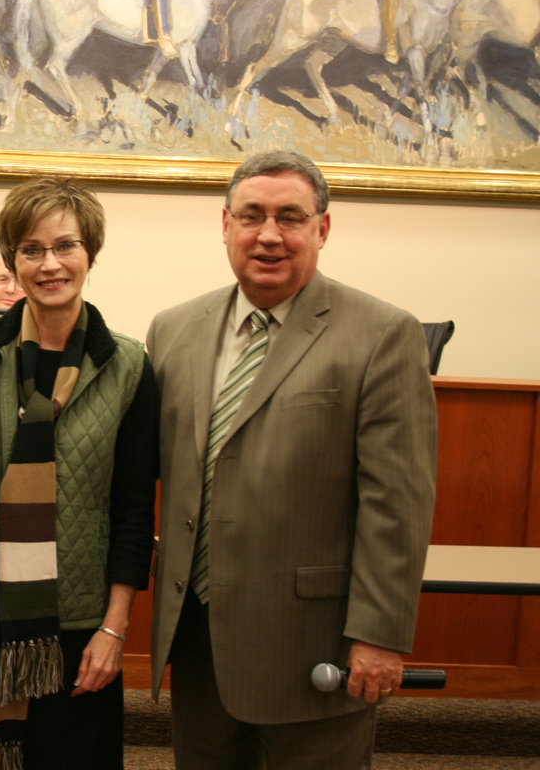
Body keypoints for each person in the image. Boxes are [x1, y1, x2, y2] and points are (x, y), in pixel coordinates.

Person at [146, 150, 437, 769]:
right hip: (198, 638)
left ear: (322, 229)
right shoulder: (173, 330)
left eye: (291, 217)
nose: (269, 235)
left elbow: (397, 501)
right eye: (252, 216)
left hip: (313, 644)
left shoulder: (382, 333)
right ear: (224, 223)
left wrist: (379, 635)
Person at [0, 177, 159, 770]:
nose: (49, 264)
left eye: (65, 246)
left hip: (79, 623)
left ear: (90, 252)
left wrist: (114, 630)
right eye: (30, 249)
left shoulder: (129, 365)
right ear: (13, 259)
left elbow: (134, 508)